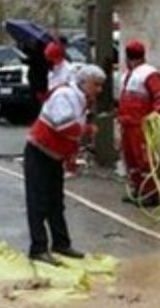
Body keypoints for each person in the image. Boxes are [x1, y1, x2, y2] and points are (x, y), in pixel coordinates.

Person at [23, 64, 106, 264]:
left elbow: (71, 137)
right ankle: (38, 248)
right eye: (96, 85)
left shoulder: (81, 101)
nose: (99, 90)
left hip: (54, 155)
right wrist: (85, 130)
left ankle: (61, 243)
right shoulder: (65, 95)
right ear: (84, 83)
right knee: (39, 202)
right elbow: (62, 124)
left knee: (56, 202)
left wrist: (70, 158)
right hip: (39, 152)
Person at [116, 39, 160, 206]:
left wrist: (153, 117)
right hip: (127, 124)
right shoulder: (127, 75)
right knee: (131, 159)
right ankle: (138, 190)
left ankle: (150, 194)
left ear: (127, 56)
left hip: (141, 125)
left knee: (145, 159)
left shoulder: (148, 73)